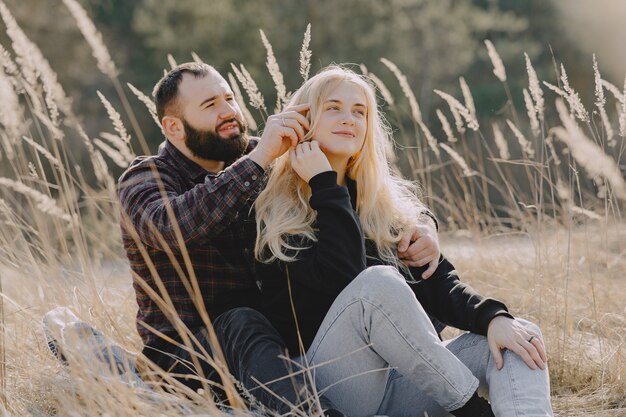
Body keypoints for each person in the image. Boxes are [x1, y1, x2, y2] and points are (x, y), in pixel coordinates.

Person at [117, 62, 441, 415]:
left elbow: (357, 178)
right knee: (241, 320)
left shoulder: (264, 157)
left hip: (274, 351)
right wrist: (259, 159)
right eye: (210, 106)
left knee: (409, 286)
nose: (229, 112)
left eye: (230, 99)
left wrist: (423, 225)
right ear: (173, 127)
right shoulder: (145, 177)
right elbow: (170, 227)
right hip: (186, 358)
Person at [254, 66, 554, 417]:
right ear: (302, 120)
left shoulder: (381, 205)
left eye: (359, 111)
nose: (349, 118)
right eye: (333, 107)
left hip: (398, 382)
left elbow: (437, 280)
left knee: (520, 336)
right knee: (376, 283)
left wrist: (492, 317)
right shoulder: (274, 209)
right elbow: (343, 277)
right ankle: (474, 411)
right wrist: (323, 183)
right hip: (328, 389)